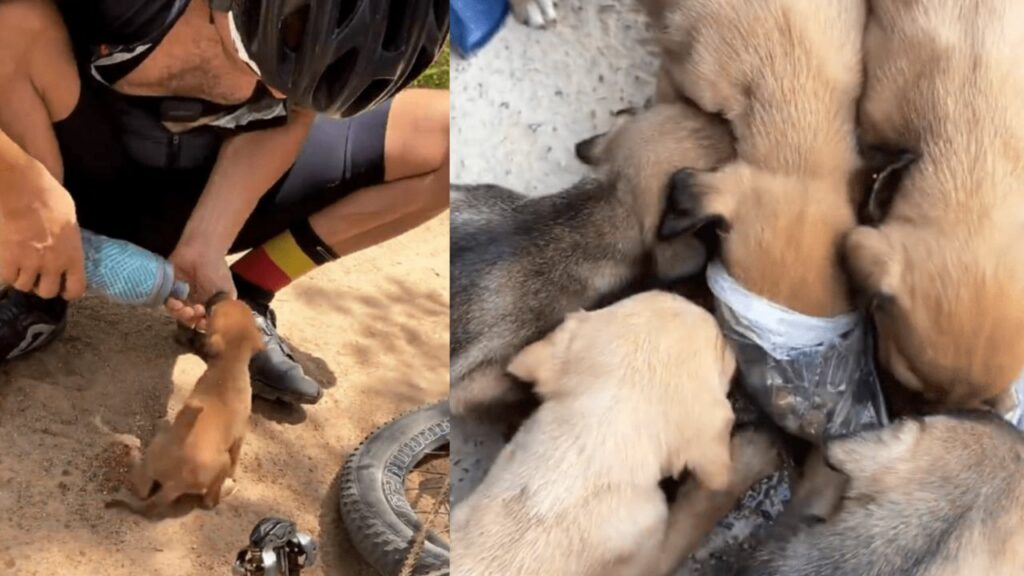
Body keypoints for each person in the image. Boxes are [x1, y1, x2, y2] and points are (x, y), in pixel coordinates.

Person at [0, 0, 450, 405]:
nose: (276, 94)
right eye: (272, 48)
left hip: (208, 186)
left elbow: (288, 119)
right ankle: (38, 277)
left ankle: (247, 291)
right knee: (16, 21)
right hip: (76, 172)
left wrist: (206, 243)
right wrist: (22, 188)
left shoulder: (295, 70)